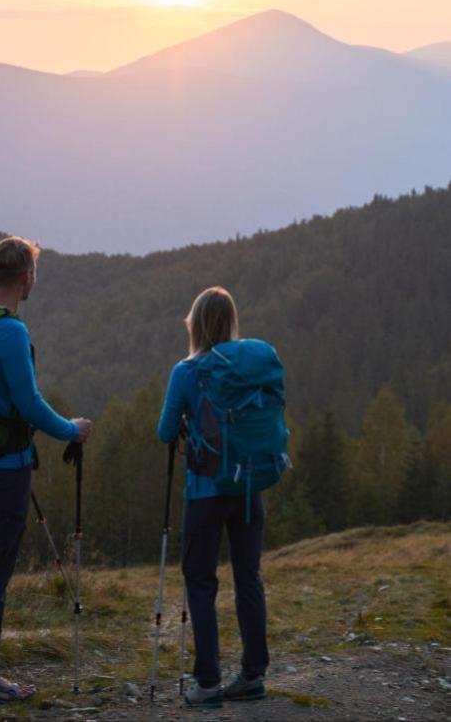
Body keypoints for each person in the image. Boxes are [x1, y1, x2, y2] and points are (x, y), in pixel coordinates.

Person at [0, 236, 92, 704]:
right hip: (6, 467)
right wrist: (71, 429)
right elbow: (29, 404)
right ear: (27, 277)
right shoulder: (10, 332)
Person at [158, 286, 280, 708]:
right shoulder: (251, 366)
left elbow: (163, 431)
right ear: (230, 321)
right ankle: (252, 674)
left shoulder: (187, 371)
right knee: (249, 577)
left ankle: (207, 682)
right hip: (248, 488)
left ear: (195, 323)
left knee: (201, 581)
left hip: (205, 492)